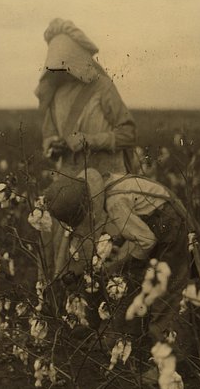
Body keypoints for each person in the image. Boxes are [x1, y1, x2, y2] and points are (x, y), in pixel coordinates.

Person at [42, 168, 200, 382]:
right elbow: (137, 223)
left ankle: (170, 364)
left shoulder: (115, 204)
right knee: (167, 287)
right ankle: (128, 338)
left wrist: (121, 262)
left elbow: (146, 240)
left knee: (167, 297)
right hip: (165, 223)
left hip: (171, 231)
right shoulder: (108, 184)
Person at [34, 19, 138, 281]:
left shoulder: (102, 87)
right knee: (57, 245)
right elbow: (48, 138)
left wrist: (90, 140)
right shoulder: (54, 95)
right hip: (70, 183)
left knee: (107, 248)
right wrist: (54, 146)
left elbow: (128, 133)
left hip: (107, 180)